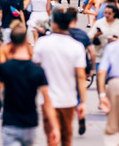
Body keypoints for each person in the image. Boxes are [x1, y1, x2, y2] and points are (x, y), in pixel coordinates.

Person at [32, 8, 87, 146]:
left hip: (47, 99)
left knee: (52, 137)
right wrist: (83, 102)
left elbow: (35, 68)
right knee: (67, 136)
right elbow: (81, 77)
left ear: (54, 24)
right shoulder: (77, 46)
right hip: (69, 99)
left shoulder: (42, 43)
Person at [0, 23, 60, 146]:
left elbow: (1, 94)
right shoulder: (37, 70)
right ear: (26, 40)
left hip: (10, 121)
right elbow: (47, 101)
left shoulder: (5, 68)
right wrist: (54, 126)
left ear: (11, 42)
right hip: (30, 123)